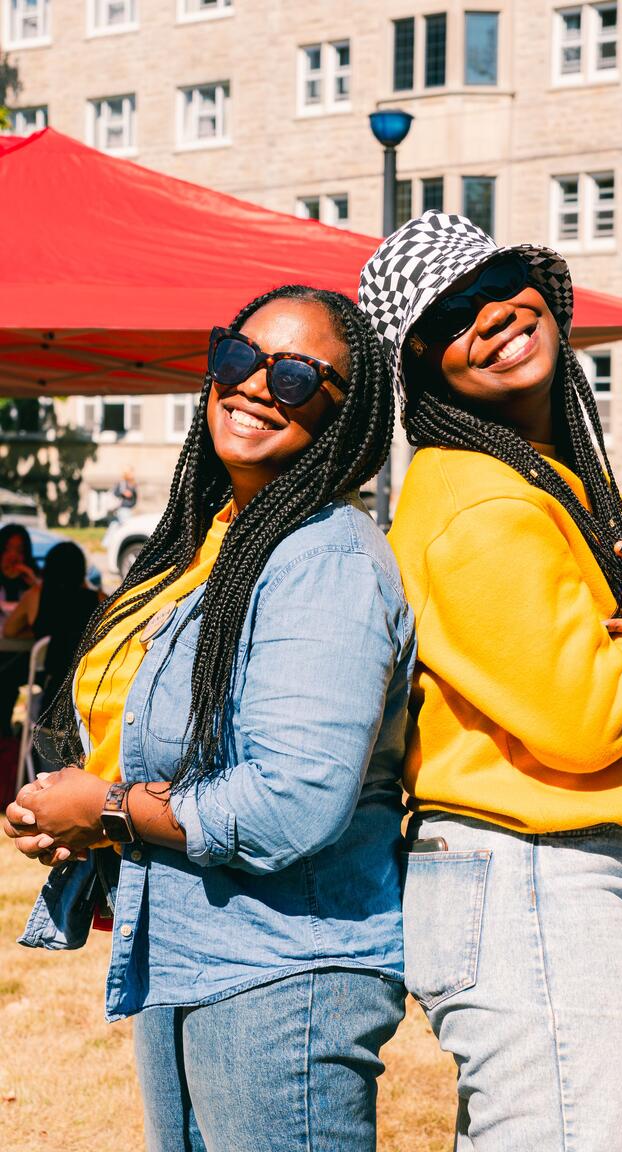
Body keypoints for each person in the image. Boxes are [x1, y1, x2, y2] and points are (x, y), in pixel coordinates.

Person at [358, 211, 622, 1152]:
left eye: (499, 284)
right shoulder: (480, 502)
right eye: (452, 315)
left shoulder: (539, 477)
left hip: (537, 877)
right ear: (421, 367)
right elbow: (589, 718)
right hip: (529, 876)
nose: (490, 315)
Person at [3, 285, 414, 1152]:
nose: (257, 386)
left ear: (347, 414)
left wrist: (108, 809)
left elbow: (291, 800)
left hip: (284, 976)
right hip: (189, 955)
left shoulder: (323, 560)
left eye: (298, 376)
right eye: (239, 357)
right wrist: (82, 817)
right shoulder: (209, 543)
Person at [3, 540, 103, 716]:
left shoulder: (35, 596)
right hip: (91, 689)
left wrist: (39, 634)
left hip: (51, 689)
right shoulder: (99, 600)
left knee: (7, 675)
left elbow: (9, 631)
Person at [0, 523, 40, 736]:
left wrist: (33, 581)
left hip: (29, 658)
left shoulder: (34, 583)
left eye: (20, 551)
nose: (13, 557)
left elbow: (46, 621)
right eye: (8, 549)